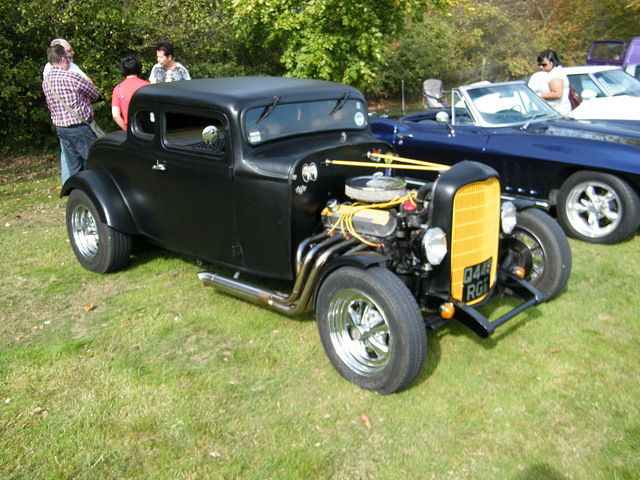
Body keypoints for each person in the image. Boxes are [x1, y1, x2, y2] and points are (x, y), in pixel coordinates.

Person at [42, 44, 101, 183]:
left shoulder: (47, 81)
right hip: (79, 127)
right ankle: (93, 193)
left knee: (74, 167)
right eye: (68, 58)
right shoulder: (71, 77)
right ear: (63, 59)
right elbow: (94, 94)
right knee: (92, 162)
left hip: (61, 129)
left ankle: (77, 194)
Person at [528, 49, 571, 115]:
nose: (541, 67)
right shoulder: (554, 73)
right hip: (555, 113)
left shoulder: (555, 74)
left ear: (551, 63)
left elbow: (557, 94)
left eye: (544, 64)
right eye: (539, 65)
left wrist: (537, 95)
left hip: (558, 113)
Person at [112, 55, 149, 130]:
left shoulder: (118, 89)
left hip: (131, 129)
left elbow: (115, 115)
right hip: (149, 127)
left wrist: (126, 130)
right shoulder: (148, 86)